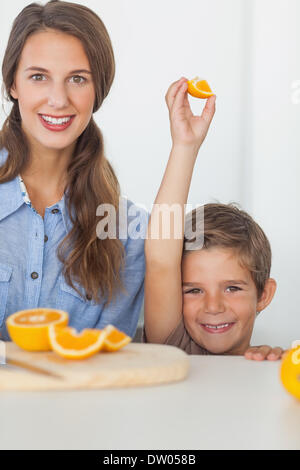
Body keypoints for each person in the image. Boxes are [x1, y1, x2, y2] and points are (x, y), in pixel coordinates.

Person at [0, 0, 147, 341]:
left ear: (97, 91)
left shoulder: (125, 231)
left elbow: (103, 362)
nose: (58, 99)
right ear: (13, 85)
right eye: (39, 77)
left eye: (77, 79)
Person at [143, 77, 284, 360]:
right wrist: (185, 146)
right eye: (193, 290)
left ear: (264, 295)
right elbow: (160, 259)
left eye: (232, 288)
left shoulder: (270, 364)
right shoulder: (173, 349)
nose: (213, 306)